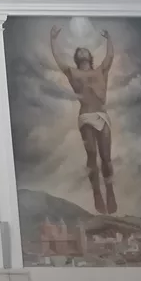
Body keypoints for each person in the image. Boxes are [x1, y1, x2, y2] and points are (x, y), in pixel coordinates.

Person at [50, 26, 115, 214]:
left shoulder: (101, 71)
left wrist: (109, 39)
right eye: (79, 51)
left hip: (101, 116)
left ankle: (109, 191)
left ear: (89, 56)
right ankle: (96, 193)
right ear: (77, 58)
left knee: (106, 157)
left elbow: (109, 57)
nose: (83, 51)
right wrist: (53, 40)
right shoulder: (74, 73)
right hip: (86, 116)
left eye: (85, 50)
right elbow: (59, 62)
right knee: (92, 155)